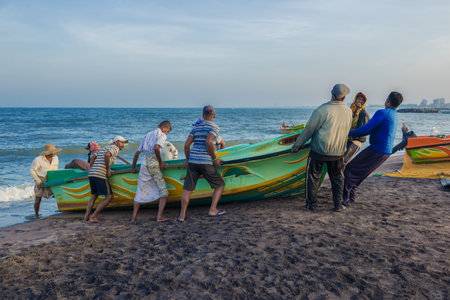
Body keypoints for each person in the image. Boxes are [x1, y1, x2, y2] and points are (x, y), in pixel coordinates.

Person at [291, 84, 353, 212]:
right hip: (338, 152)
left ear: (332, 94)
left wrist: (296, 146)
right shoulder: (349, 111)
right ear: (344, 97)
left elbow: (308, 130)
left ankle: (311, 205)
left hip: (319, 151)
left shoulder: (322, 110)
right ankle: (337, 205)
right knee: (337, 179)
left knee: (313, 178)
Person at [343, 91, 403, 206]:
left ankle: (345, 199)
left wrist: (348, 133)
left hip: (377, 149)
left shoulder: (382, 113)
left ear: (388, 100)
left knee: (350, 169)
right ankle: (350, 195)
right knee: (361, 173)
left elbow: (366, 129)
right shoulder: (394, 114)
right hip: (386, 152)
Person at [177, 105, 227, 222]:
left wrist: (188, 159)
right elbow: (209, 142)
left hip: (193, 161)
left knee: (187, 189)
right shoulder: (214, 127)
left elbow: (186, 145)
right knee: (220, 185)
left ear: (203, 115)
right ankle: (212, 210)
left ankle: (182, 216)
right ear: (214, 115)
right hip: (205, 161)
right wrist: (214, 159)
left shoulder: (196, 127)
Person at [130, 121, 172, 223]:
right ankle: (159, 217)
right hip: (153, 164)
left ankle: (133, 218)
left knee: (140, 190)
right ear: (165, 128)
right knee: (164, 191)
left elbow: (136, 154)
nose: (167, 134)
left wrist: (133, 167)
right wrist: (161, 162)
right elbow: (156, 148)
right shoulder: (161, 135)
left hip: (144, 164)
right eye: (168, 132)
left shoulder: (147, 135)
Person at [84, 136, 128, 222]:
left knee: (94, 195)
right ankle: (94, 216)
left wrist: (92, 167)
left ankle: (86, 217)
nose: (123, 145)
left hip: (92, 173)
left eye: (124, 143)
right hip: (100, 174)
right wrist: (107, 169)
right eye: (122, 142)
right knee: (109, 197)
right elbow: (107, 155)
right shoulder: (115, 148)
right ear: (116, 142)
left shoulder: (104, 147)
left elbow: (93, 157)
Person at [30, 143, 61, 216]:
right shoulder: (38, 160)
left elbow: (55, 169)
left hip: (52, 180)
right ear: (48, 153)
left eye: (54, 151)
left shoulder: (56, 158)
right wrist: (38, 181)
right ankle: (36, 214)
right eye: (52, 152)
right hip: (41, 180)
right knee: (38, 199)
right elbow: (32, 171)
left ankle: (62, 208)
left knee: (58, 194)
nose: (54, 153)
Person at [343, 92, 370, 164]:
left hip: (356, 141)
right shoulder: (349, 110)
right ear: (355, 99)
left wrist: (352, 136)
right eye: (358, 99)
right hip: (347, 139)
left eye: (362, 100)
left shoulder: (363, 113)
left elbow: (363, 130)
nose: (360, 101)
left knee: (344, 161)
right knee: (340, 160)